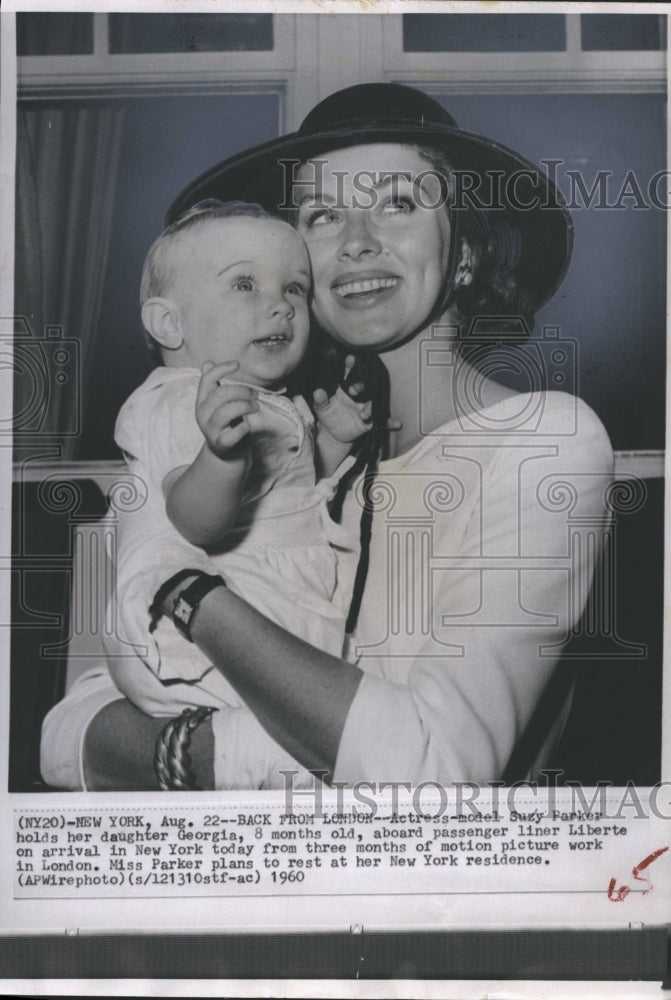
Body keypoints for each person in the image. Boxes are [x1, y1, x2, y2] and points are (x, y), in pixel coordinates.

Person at [40, 83, 614, 791]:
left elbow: (432, 769)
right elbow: (67, 730)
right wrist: (276, 755)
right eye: (322, 214)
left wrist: (191, 595)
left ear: (464, 252)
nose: (356, 243)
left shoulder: (542, 443)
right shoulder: (293, 457)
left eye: (398, 203)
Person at [104, 201, 372, 784]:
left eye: (295, 288)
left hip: (278, 598)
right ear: (170, 324)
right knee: (322, 753)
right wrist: (220, 457)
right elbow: (193, 518)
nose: (280, 303)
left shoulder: (262, 400)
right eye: (245, 284)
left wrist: (329, 440)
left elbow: (284, 490)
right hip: (229, 620)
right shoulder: (182, 401)